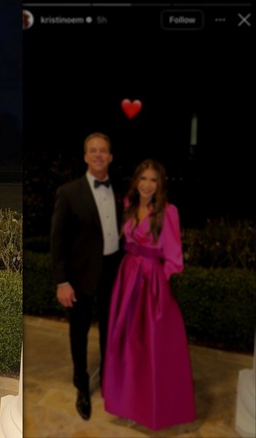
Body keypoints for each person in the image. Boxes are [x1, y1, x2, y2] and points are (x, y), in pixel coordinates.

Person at [102, 159, 195, 430]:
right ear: (136, 181)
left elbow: (175, 257)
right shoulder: (129, 206)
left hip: (151, 281)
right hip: (127, 275)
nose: (147, 185)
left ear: (160, 185)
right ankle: (128, 404)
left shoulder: (168, 212)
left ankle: (153, 408)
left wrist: (159, 282)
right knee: (127, 343)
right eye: (143, 178)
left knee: (152, 345)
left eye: (153, 180)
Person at [50, 132, 122, 421]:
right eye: (93, 150)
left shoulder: (120, 191)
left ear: (110, 156)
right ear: (85, 156)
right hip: (79, 277)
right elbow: (57, 241)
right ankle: (82, 386)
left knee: (110, 331)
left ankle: (109, 380)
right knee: (78, 335)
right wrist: (62, 281)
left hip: (113, 274)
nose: (98, 154)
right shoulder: (69, 192)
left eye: (103, 150)